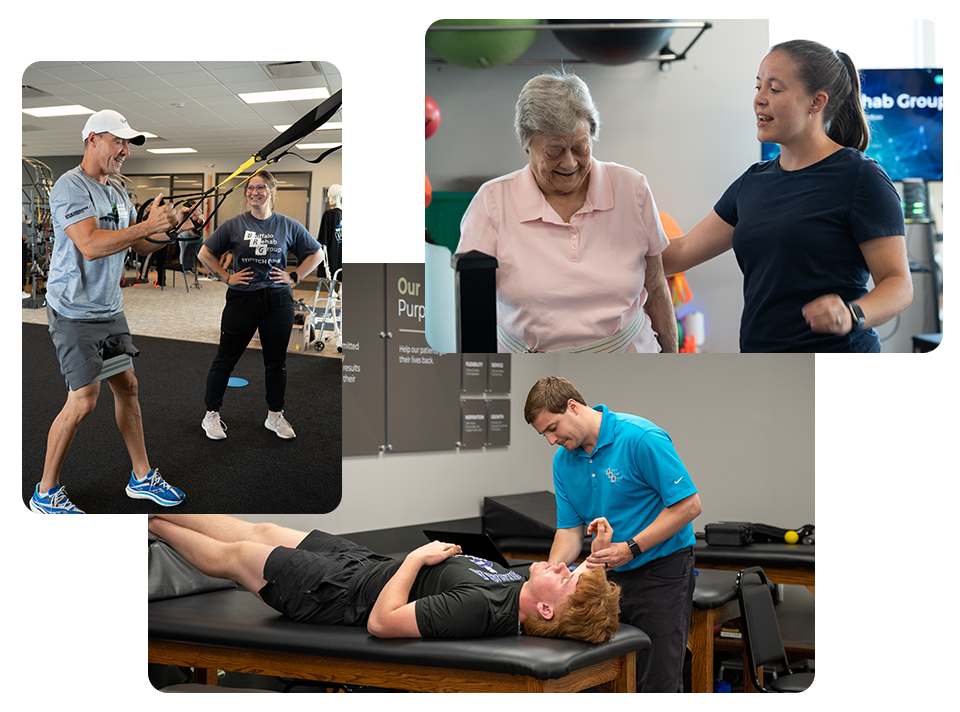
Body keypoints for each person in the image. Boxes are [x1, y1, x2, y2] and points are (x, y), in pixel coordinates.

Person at [662, 40, 913, 352]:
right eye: (758, 87)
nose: (759, 100)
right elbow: (681, 252)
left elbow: (899, 284)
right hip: (762, 362)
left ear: (816, 102)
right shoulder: (751, 183)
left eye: (775, 89)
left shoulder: (862, 178)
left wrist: (853, 314)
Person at [29, 109, 189, 514]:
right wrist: (146, 224)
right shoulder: (70, 186)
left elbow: (136, 246)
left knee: (128, 387)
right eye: (118, 141)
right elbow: (91, 244)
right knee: (83, 400)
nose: (124, 151)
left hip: (109, 308)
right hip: (74, 311)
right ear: (93, 139)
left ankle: (141, 476)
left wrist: (171, 229)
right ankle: (45, 494)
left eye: (127, 143)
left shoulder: (117, 190)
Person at [456, 70, 677, 353]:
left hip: (628, 359)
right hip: (530, 368)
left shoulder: (632, 188)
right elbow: (471, 303)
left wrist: (673, 362)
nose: (570, 162)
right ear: (527, 144)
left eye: (580, 146)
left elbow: (657, 288)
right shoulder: (492, 201)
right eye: (554, 151)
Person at [147, 514, 621, 643]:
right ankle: (157, 503)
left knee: (237, 555)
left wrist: (415, 558)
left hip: (337, 594)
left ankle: (146, 522)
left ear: (544, 610)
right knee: (262, 529)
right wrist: (592, 560)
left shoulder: (483, 609)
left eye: (566, 579)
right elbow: (569, 574)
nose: (562, 566)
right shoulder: (516, 588)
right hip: (364, 565)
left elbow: (382, 623)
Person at [524, 376, 702, 693]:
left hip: (661, 568)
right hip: (606, 574)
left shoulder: (640, 437)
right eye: (544, 435)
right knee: (601, 676)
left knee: (655, 676)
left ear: (573, 407)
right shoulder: (563, 460)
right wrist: (551, 575)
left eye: (552, 428)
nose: (551, 440)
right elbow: (568, 531)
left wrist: (630, 548)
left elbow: (689, 506)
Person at [197, 171, 324, 441]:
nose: (254, 192)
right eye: (250, 188)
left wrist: (294, 276)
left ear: (272, 191)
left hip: (278, 301)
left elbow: (317, 253)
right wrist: (227, 276)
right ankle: (211, 415)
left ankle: (274, 416)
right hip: (242, 299)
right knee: (225, 359)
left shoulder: (288, 225)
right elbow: (205, 253)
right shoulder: (233, 225)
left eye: (261, 187)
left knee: (276, 362)